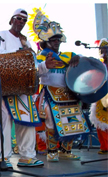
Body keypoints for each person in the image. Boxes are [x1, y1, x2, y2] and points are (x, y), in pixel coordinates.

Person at [30, 8, 89, 162]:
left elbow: (83, 62)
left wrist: (77, 58)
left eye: (58, 39)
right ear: (47, 41)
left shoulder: (68, 55)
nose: (56, 42)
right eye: (53, 39)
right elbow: (35, 72)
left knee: (72, 120)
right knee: (51, 121)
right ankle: (52, 151)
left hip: (68, 93)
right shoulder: (41, 56)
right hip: (50, 93)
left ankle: (65, 151)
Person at [0, 8, 44, 168]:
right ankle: (3, 157)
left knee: (27, 120)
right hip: (6, 85)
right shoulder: (2, 35)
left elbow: (33, 66)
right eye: (19, 18)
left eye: (24, 20)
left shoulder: (25, 41)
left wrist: (44, 66)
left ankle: (27, 156)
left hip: (23, 87)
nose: (21, 22)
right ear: (12, 20)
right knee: (5, 123)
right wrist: (21, 53)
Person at [89, 38, 108, 154]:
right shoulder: (99, 66)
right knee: (100, 122)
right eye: (102, 50)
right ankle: (105, 147)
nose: (104, 53)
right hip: (101, 96)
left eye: (106, 50)